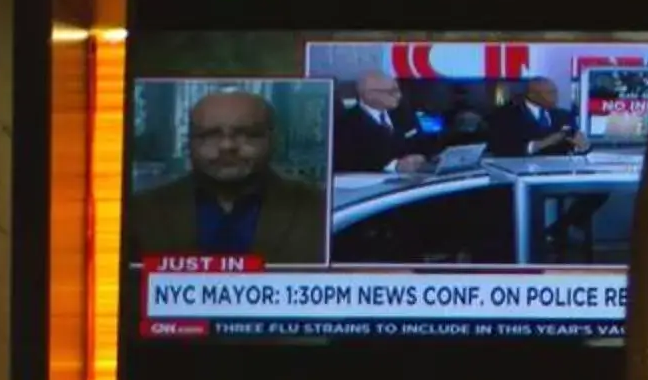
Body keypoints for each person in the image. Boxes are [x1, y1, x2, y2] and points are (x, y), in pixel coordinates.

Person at [124, 88, 328, 264]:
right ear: (189, 142)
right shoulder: (140, 212)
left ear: (273, 140)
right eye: (210, 135)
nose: (226, 146)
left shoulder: (321, 209)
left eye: (246, 134)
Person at [333, 70, 430, 175]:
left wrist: (423, 156)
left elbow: (421, 142)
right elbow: (350, 164)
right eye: (391, 92)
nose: (399, 96)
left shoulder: (404, 113)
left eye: (398, 90)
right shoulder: (345, 124)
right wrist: (395, 166)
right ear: (368, 94)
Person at [488, 75, 584, 159]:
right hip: (522, 170)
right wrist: (541, 144)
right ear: (532, 95)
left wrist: (583, 146)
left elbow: (576, 147)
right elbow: (499, 148)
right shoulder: (506, 116)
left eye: (555, 92)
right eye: (550, 93)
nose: (556, 97)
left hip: (558, 172)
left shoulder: (564, 116)